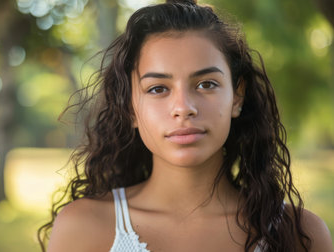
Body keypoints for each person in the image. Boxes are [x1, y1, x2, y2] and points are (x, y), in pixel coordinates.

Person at [38, 0, 333, 251]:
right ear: (130, 107)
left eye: (206, 84)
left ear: (237, 96)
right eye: (158, 88)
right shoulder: (84, 229)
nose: (183, 108)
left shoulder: (299, 234)